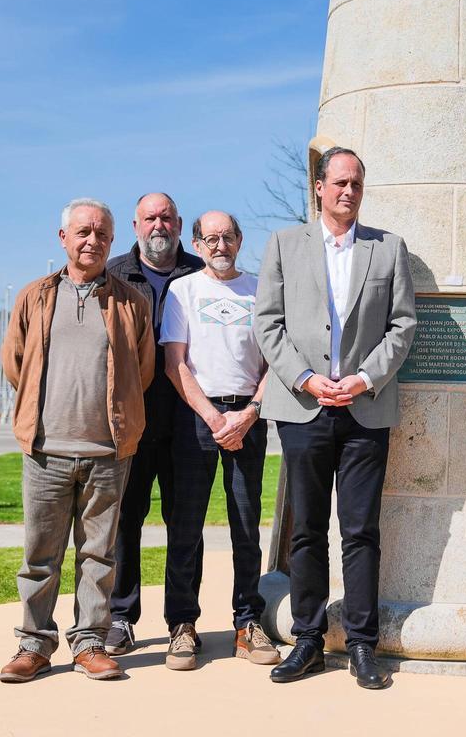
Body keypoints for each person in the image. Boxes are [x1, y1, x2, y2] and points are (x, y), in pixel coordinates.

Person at [255, 147, 416, 690]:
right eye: (340, 182)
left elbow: (402, 327)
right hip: (303, 409)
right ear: (319, 187)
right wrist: (306, 379)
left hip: (364, 410)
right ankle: (307, 639)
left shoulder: (388, 249)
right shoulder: (282, 245)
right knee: (306, 532)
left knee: (360, 531)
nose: (348, 192)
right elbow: (268, 325)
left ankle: (362, 645)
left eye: (357, 184)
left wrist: (363, 378)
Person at [0, 198, 154, 683]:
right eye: (83, 232)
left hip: (108, 453)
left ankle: (89, 642)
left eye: (102, 234)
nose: (93, 241)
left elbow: (142, 372)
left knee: (99, 556)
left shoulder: (131, 301)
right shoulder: (34, 297)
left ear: (112, 241)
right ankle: (34, 645)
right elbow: (15, 364)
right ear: (62, 237)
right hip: (46, 452)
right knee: (39, 556)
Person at [160, 211, 279, 670]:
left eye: (228, 236)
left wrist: (248, 414)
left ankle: (247, 624)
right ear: (197, 243)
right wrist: (213, 418)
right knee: (185, 527)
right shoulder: (183, 290)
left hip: (249, 416)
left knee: (246, 529)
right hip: (198, 420)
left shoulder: (261, 290)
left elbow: (275, 360)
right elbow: (176, 363)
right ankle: (182, 625)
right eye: (210, 238)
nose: (220, 245)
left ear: (240, 239)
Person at [104, 192, 204, 655]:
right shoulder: (113, 276)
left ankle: (182, 620)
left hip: (189, 422)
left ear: (179, 223)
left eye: (166, 216)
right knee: (126, 521)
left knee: (185, 525)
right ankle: (121, 616)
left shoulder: (201, 272)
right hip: (133, 421)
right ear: (136, 225)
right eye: (150, 218)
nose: (159, 224)